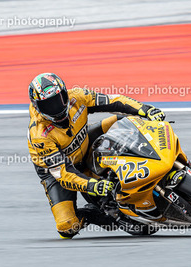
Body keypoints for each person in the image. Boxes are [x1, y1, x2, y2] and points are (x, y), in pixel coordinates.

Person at [27, 72, 166, 239]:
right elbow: (63, 174)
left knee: (125, 119)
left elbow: (113, 100)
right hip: (57, 171)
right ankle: (92, 214)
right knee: (67, 226)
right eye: (47, 105)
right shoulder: (39, 135)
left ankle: (155, 154)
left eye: (58, 100)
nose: (55, 108)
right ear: (37, 107)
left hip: (84, 139)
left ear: (65, 93)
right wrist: (92, 185)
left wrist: (144, 109)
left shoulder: (77, 96)